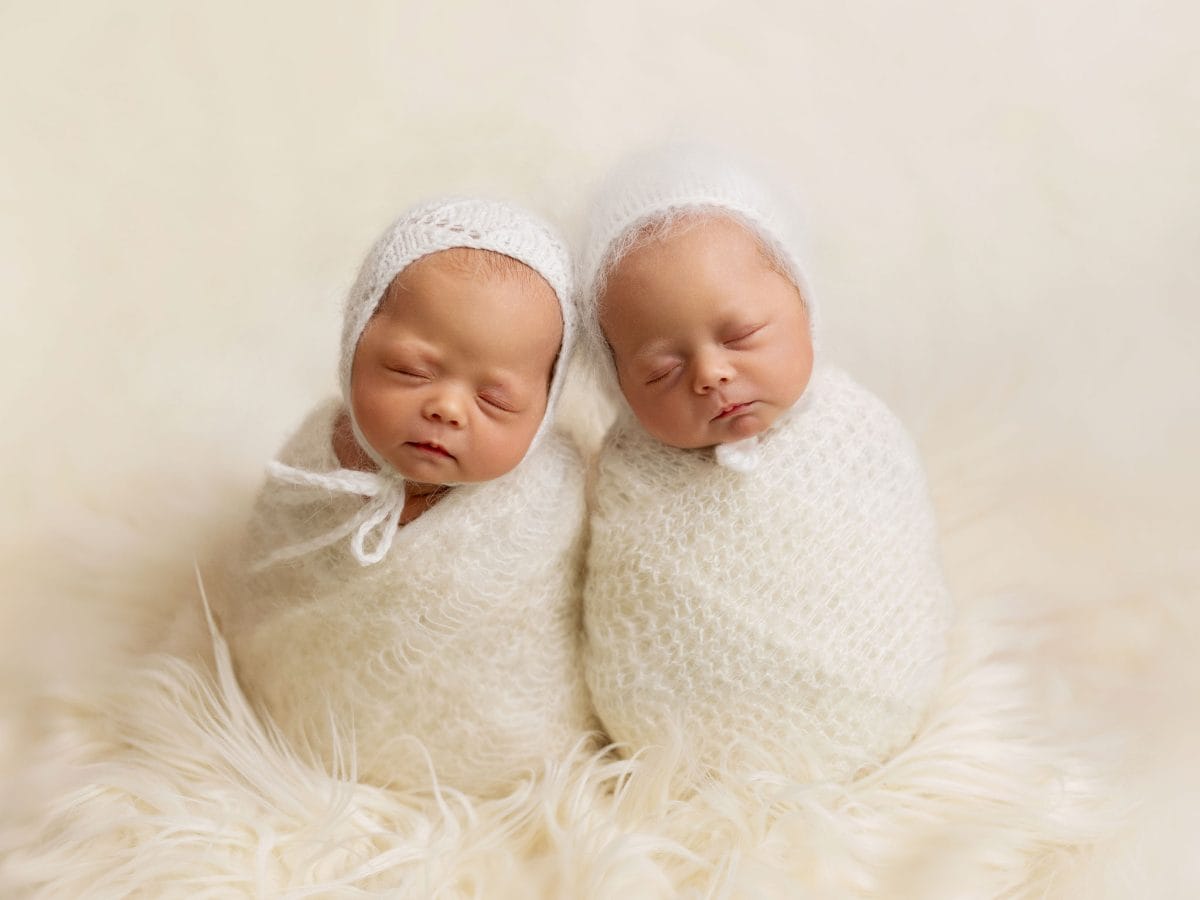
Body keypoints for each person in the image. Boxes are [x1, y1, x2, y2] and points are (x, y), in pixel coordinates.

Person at [578, 146, 952, 782]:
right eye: (662, 370)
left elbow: (899, 566)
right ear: (617, 385)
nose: (711, 373)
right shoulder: (628, 470)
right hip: (676, 750)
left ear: (805, 307)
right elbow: (623, 604)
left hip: (869, 709)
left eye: (742, 335)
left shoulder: (854, 433)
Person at [217, 197, 596, 795]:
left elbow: (558, 632)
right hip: (301, 744)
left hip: (490, 771)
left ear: (544, 409)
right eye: (411, 371)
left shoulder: (548, 503)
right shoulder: (315, 462)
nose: (446, 407)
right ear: (354, 343)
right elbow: (273, 587)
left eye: (495, 400)